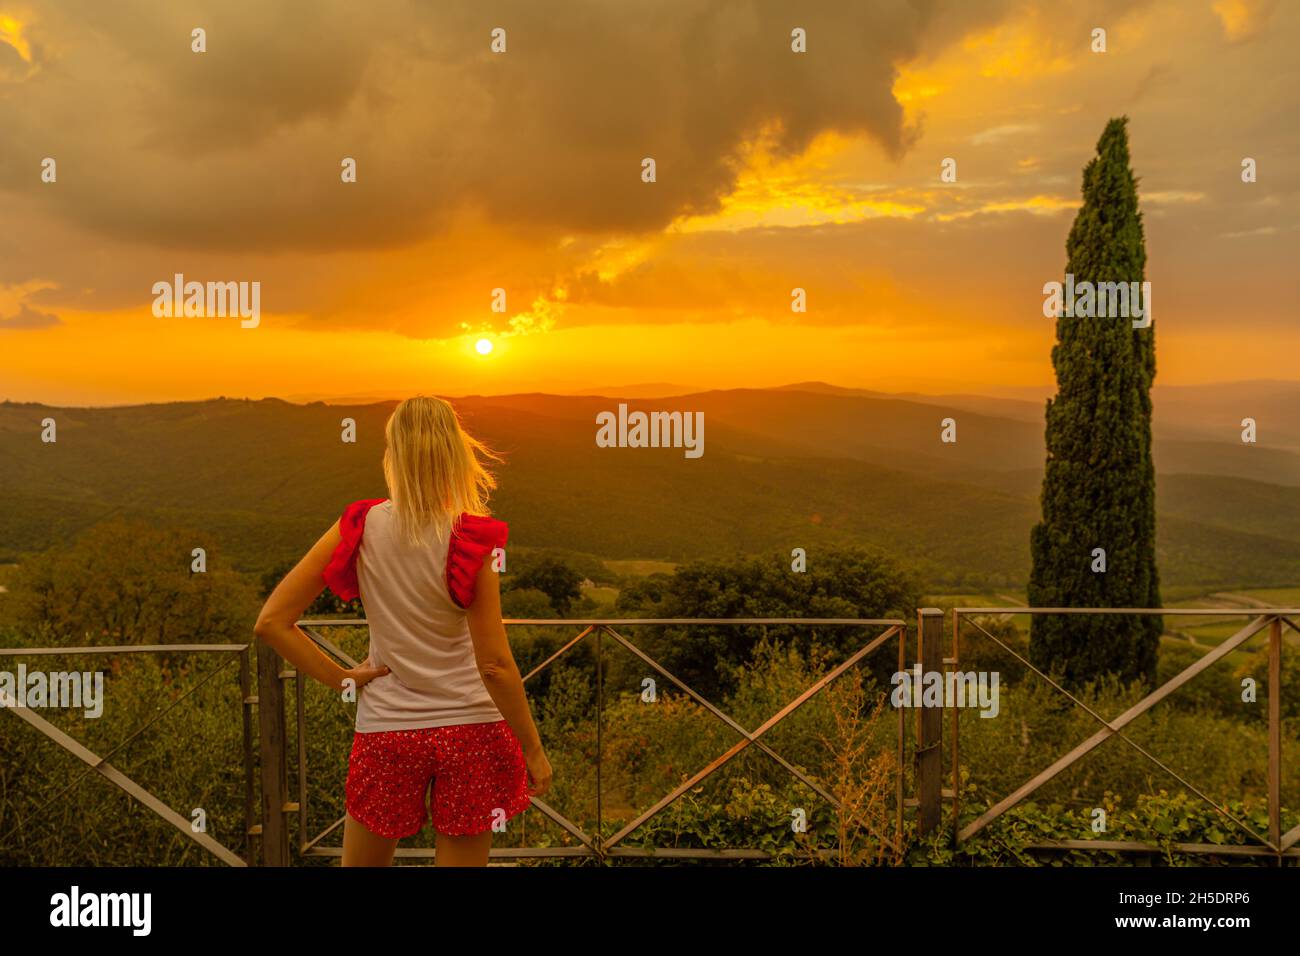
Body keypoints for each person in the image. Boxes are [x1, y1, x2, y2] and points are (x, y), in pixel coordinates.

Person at [254, 396, 552, 866]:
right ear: (456, 452)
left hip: (388, 732)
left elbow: (272, 623)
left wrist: (340, 678)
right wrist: (533, 749)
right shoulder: (470, 536)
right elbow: (493, 664)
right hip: (473, 731)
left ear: (393, 454)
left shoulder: (361, 524)